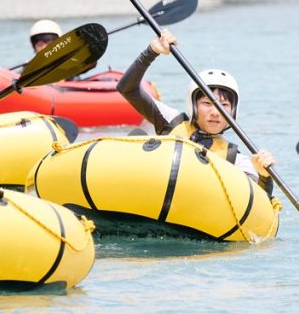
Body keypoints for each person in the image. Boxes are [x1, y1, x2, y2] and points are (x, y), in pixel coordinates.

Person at [117, 28, 275, 194]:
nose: (215, 112)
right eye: (207, 103)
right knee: (137, 137)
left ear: (233, 113)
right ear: (193, 105)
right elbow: (127, 89)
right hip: (150, 194)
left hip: (193, 215)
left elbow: (260, 204)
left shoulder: (235, 158)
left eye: (224, 106)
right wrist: (152, 51)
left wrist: (265, 176)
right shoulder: (172, 121)